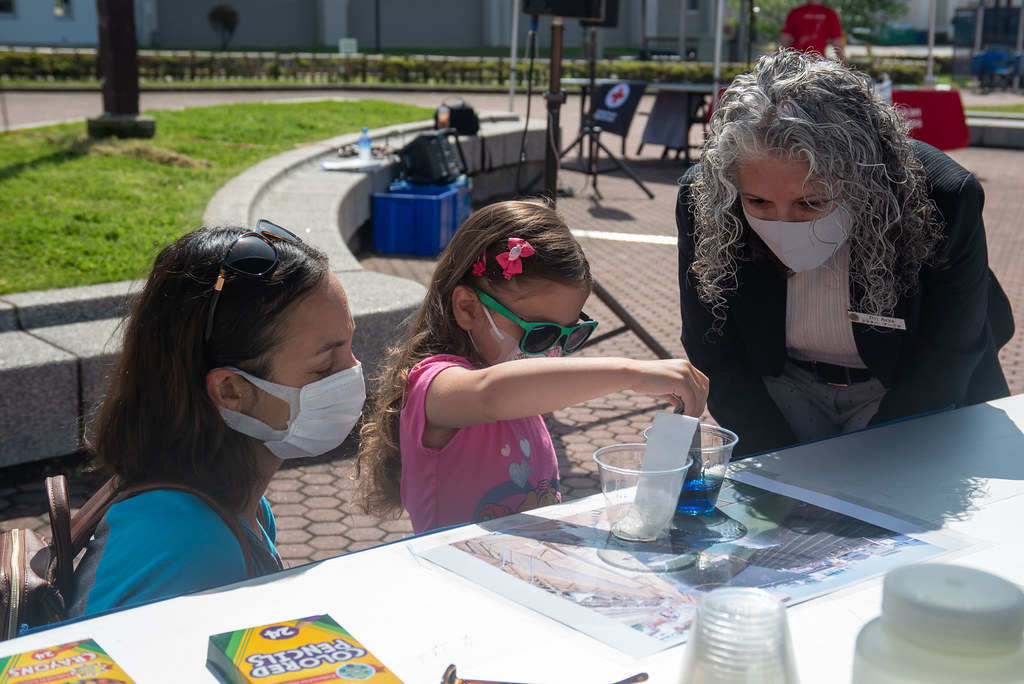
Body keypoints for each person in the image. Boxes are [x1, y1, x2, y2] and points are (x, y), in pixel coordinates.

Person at [676, 50, 1013, 458]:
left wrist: (876, 458)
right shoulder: (707, 196)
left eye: (811, 203)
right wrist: (779, 463)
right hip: (782, 381)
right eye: (758, 203)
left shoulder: (942, 195)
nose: (784, 224)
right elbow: (712, 344)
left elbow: (949, 353)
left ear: (862, 178)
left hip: (903, 382)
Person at [357, 200, 709, 533]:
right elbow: (492, 393)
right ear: (467, 308)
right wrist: (630, 373)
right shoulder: (434, 386)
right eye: (540, 334)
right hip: (457, 583)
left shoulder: (523, 389)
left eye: (569, 335)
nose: (553, 352)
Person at [69, 221, 365, 617]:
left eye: (349, 345)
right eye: (326, 366)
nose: (353, 372)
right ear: (231, 391)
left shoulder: (238, 505)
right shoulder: (194, 547)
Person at [780, 0, 845, 63]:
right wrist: (843, 64)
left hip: (796, 61)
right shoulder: (830, 14)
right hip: (817, 63)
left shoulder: (795, 12)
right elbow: (837, 43)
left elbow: (785, 40)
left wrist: (784, 58)